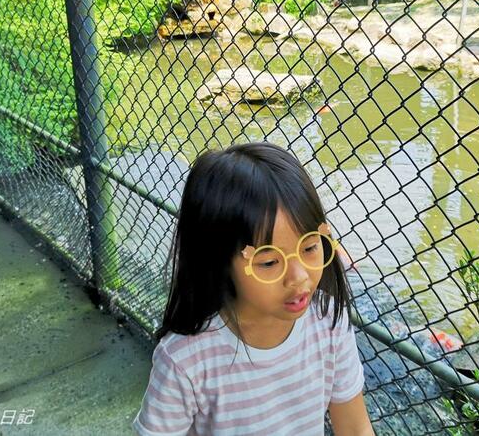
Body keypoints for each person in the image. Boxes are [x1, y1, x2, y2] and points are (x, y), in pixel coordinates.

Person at [133, 141, 375, 436]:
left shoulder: (328, 322)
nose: (298, 277)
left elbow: (355, 429)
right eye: (270, 262)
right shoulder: (186, 361)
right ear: (218, 260)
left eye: (310, 247)